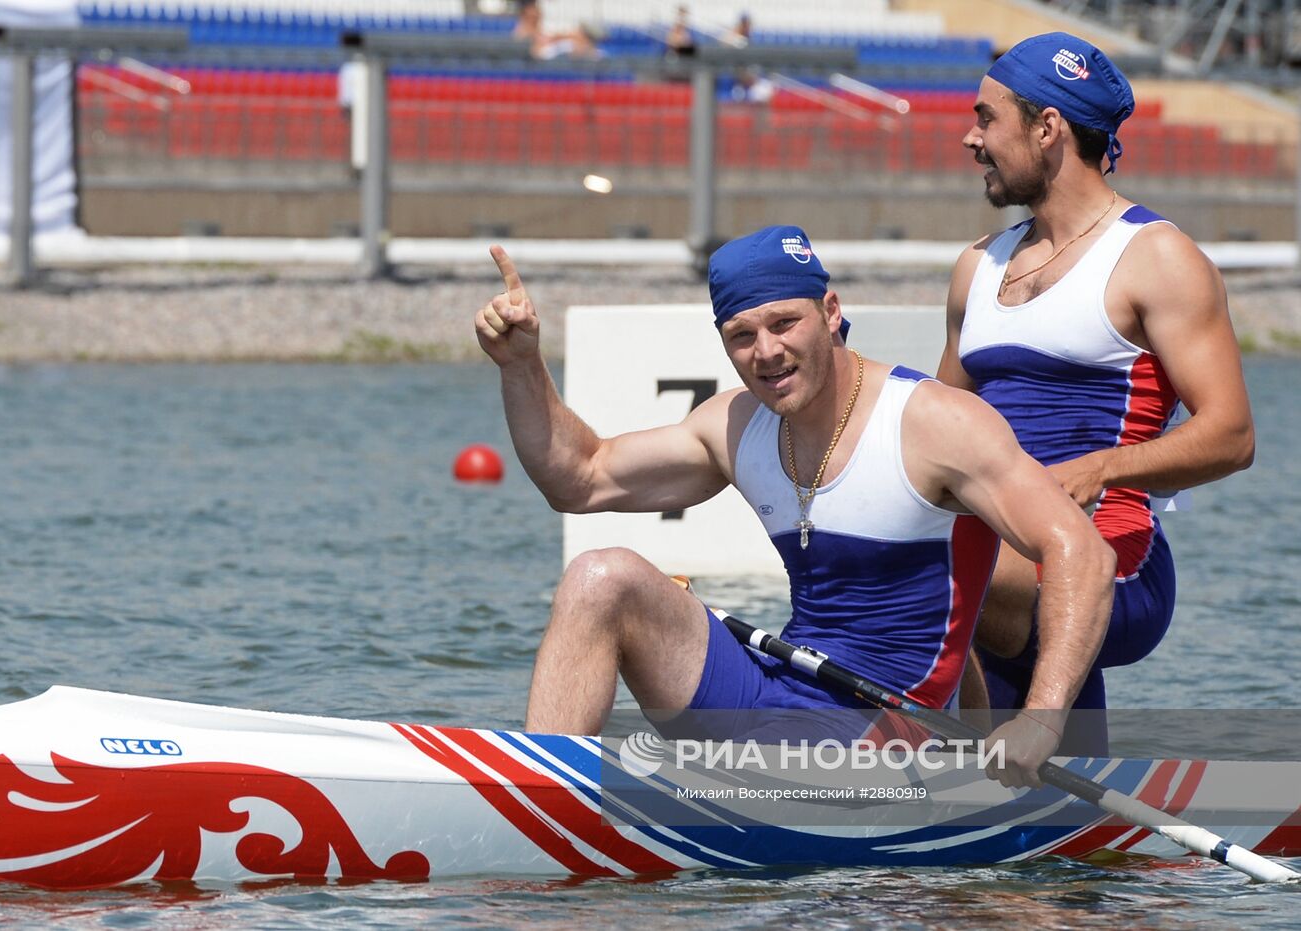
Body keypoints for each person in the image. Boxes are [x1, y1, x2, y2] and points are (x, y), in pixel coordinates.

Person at [475, 225, 1118, 787]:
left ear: (832, 311)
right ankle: (544, 791)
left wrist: (1038, 721)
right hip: (778, 691)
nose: (767, 353)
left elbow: (1082, 552)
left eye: (785, 324)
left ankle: (568, 806)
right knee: (600, 577)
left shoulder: (934, 423)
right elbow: (579, 479)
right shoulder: (737, 424)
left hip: (889, 730)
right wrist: (521, 366)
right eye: (742, 335)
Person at [939, 33, 1255, 753]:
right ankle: (1024, 786)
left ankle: (980, 749)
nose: (969, 137)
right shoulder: (975, 270)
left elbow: (1232, 434)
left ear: (1047, 128)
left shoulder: (1156, 257)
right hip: (1003, 555)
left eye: (987, 118)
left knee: (941, 557)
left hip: (1116, 563)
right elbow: (934, 427)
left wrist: (1098, 468)